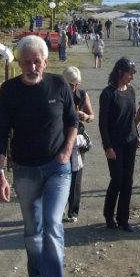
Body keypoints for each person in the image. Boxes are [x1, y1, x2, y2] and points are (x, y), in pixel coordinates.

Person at [0, 35, 77, 277]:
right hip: (25, 169)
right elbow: (1, 132)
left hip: (57, 168)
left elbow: (72, 121)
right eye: (26, 62)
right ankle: (36, 274)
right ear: (18, 63)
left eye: (37, 62)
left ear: (45, 61)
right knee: (32, 230)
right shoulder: (9, 90)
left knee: (52, 224)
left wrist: (66, 150)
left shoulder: (59, 84)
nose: (32, 67)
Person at [99, 57, 140, 232]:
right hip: (114, 145)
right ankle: (109, 215)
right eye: (130, 73)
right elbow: (103, 123)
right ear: (120, 72)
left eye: (133, 73)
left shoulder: (131, 91)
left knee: (128, 181)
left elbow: (132, 118)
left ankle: (123, 218)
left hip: (130, 141)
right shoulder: (108, 93)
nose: (132, 77)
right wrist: (107, 146)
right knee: (117, 179)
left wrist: (137, 136)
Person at [62, 67, 95, 223]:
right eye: (71, 84)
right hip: (60, 138)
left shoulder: (82, 95)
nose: (74, 88)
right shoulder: (58, 94)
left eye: (76, 84)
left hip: (77, 140)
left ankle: (73, 211)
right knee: (60, 174)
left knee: (76, 176)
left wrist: (86, 116)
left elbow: (92, 116)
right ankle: (58, 208)